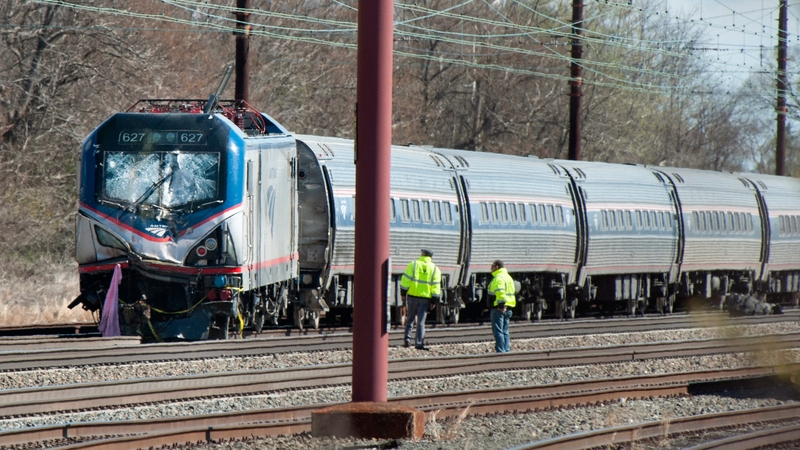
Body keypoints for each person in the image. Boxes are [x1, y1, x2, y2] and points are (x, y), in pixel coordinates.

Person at [400, 249, 441, 350]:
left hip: (412, 297)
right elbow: (435, 286)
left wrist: (403, 293)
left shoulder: (413, 265)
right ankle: (419, 343)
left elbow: (405, 280)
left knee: (410, 319)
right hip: (425, 299)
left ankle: (407, 340)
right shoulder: (435, 269)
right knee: (421, 322)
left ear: (423, 254)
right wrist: (434, 301)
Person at [488, 260, 515, 353]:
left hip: (499, 308)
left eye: (492, 266)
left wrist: (501, 305)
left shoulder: (498, 278)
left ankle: (500, 351)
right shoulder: (508, 277)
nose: (490, 268)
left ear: (496, 267)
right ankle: (507, 349)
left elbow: (500, 292)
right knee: (505, 331)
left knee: (498, 331)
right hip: (509, 307)